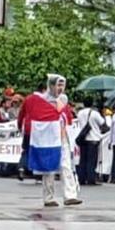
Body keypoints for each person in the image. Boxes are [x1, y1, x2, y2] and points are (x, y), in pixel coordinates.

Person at [25, 74, 81, 207]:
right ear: (51, 86)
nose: (60, 88)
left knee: (66, 166)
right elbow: (32, 118)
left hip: (63, 139)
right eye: (58, 85)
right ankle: (49, 197)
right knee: (49, 169)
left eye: (62, 85)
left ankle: (70, 195)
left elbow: (67, 119)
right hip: (48, 141)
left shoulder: (63, 101)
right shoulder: (40, 101)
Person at [74, 98, 107, 186]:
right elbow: (103, 123)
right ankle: (90, 179)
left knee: (83, 160)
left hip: (83, 138)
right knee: (92, 160)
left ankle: (81, 178)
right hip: (93, 138)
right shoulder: (95, 113)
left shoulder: (80, 113)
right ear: (92, 104)